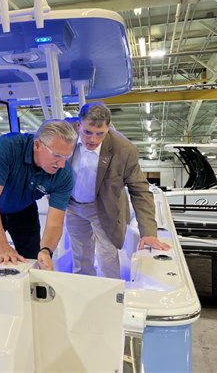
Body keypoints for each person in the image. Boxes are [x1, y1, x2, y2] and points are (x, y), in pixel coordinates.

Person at [66, 102, 171, 278]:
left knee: (107, 254)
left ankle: (112, 290)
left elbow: (140, 190)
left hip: (105, 207)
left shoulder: (124, 150)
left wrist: (149, 232)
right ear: (78, 125)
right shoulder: (63, 132)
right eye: (87, 132)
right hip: (73, 205)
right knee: (80, 253)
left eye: (100, 134)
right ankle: (84, 287)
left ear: (108, 128)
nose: (93, 140)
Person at [0, 120, 77, 270]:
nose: (61, 164)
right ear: (37, 145)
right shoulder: (8, 146)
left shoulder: (64, 176)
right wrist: (3, 246)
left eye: (66, 157)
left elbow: (55, 224)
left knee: (33, 260)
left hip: (24, 210)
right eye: (56, 155)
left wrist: (46, 250)